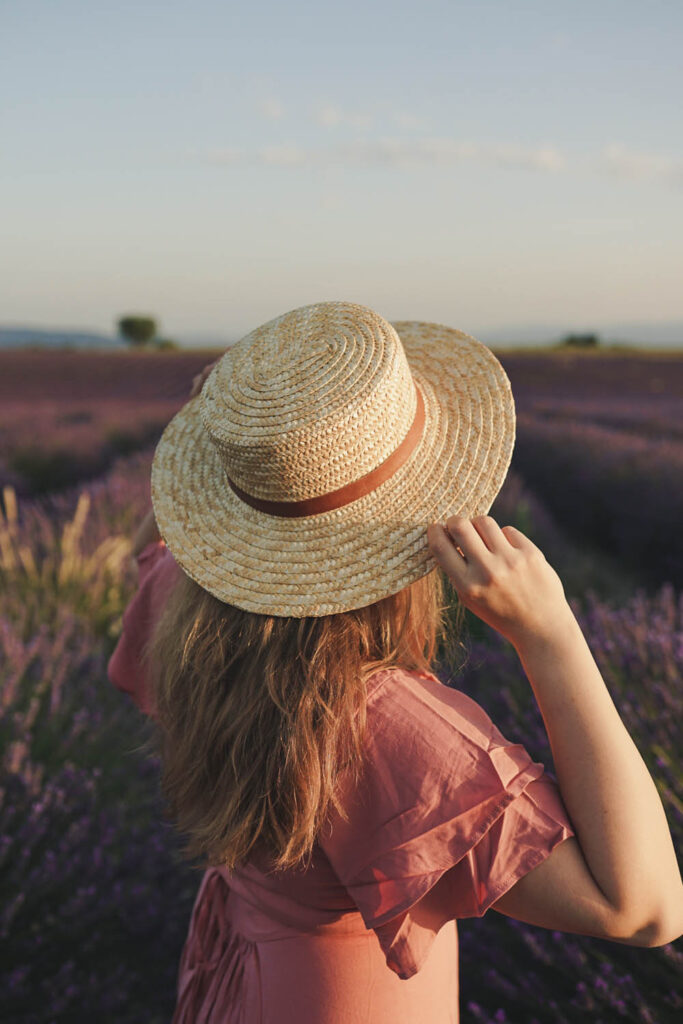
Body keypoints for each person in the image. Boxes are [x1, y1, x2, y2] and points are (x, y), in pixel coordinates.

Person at [107, 301, 682, 1023]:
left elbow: (157, 549)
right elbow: (642, 909)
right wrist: (552, 638)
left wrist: (219, 440)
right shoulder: (386, 729)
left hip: (236, 983)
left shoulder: (182, 611)